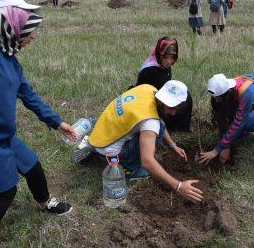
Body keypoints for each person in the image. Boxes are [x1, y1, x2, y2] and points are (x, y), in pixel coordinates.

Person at [0, 0, 76, 246]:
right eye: (27, 30)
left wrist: (57, 123)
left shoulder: (10, 60)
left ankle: (44, 202)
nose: (32, 36)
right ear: (8, 26)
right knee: (4, 192)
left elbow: (29, 96)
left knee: (32, 167)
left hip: (5, 138)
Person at [71, 81, 203, 203]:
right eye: (172, 107)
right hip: (111, 156)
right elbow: (147, 162)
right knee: (147, 166)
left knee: (158, 125)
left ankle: (93, 150)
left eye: (175, 108)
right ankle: (131, 170)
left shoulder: (147, 89)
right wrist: (179, 186)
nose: (173, 113)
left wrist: (172, 145)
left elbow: (157, 121)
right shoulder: (150, 122)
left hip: (100, 135)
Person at [198, 74, 254, 165]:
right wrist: (225, 146)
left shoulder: (245, 92)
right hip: (252, 110)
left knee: (244, 121)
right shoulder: (228, 89)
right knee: (236, 120)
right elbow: (223, 118)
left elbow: (239, 122)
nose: (216, 101)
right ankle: (243, 133)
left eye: (218, 98)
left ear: (226, 93)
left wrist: (216, 151)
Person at [136, 37, 192, 132]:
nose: (169, 61)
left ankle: (180, 129)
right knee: (185, 102)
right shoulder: (150, 70)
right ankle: (172, 129)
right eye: (166, 57)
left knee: (185, 96)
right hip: (151, 110)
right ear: (159, 55)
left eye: (172, 58)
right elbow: (145, 98)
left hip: (162, 103)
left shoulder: (162, 66)